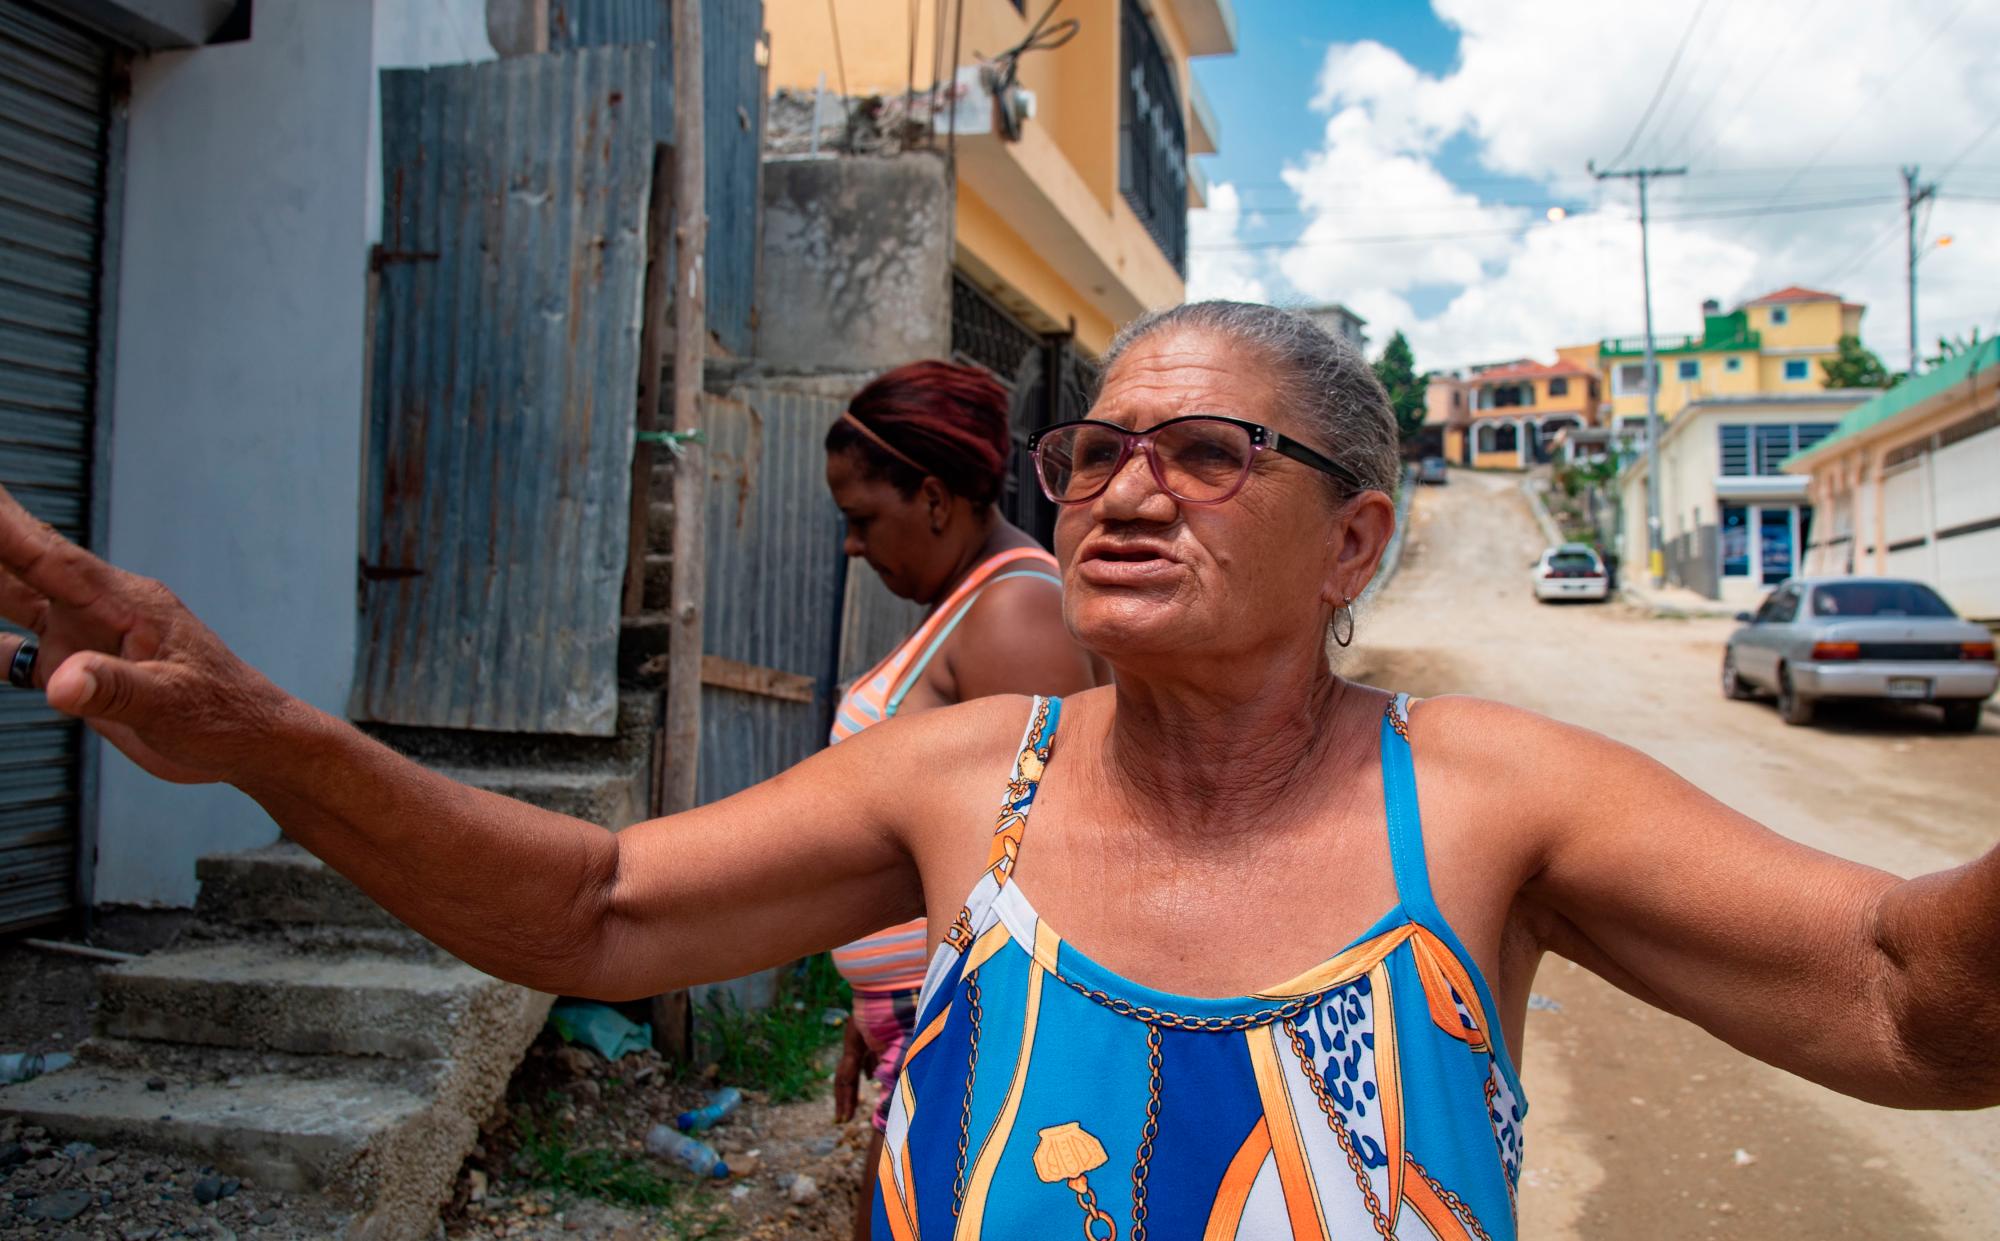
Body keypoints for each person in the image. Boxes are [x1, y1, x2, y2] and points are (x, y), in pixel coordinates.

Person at [1, 302, 1995, 1241]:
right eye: (1099, 445)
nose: (1127, 481)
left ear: (1359, 539)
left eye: (1208, 449)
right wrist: (272, 733)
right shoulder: (975, 779)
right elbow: (592, 910)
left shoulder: (1485, 798)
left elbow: (1912, 996)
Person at [819, 359, 1096, 1236]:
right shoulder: (966, 605)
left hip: (973, 1038)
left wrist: (936, 1028)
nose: (853, 546)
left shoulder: (1015, 616)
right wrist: (873, 1001)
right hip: (925, 1023)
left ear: (935, 497)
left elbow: (1058, 861)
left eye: (862, 517)